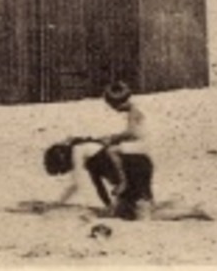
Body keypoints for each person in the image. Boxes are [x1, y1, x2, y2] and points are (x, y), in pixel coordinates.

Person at [101, 81, 154, 220]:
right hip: (142, 144)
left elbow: (132, 132)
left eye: (114, 106)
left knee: (112, 151)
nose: (114, 110)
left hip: (141, 146)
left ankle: (123, 181)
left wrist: (114, 138)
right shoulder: (135, 109)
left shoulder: (133, 111)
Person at [45, 137, 122, 210]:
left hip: (106, 160)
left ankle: (113, 205)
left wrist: (59, 202)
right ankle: (112, 205)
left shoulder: (77, 152)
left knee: (116, 183)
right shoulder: (85, 154)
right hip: (104, 159)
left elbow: (76, 184)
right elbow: (98, 185)